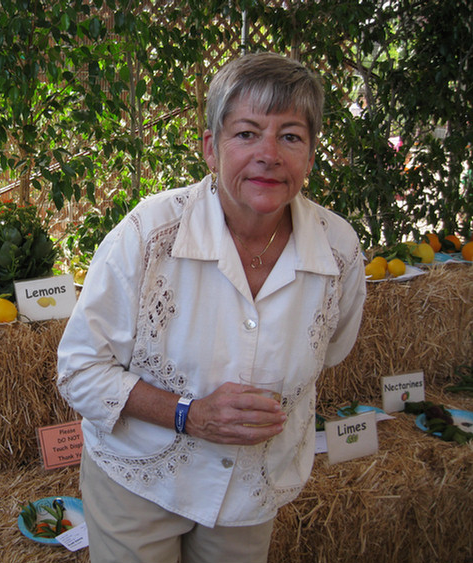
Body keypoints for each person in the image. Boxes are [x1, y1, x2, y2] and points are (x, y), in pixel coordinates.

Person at [56, 52, 366, 563]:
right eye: (246, 133)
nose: (268, 153)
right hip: (139, 481)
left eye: (290, 136)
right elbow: (78, 370)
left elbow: (333, 349)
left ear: (310, 155)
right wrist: (190, 414)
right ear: (210, 149)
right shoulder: (149, 235)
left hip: (251, 489)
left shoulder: (339, 250)